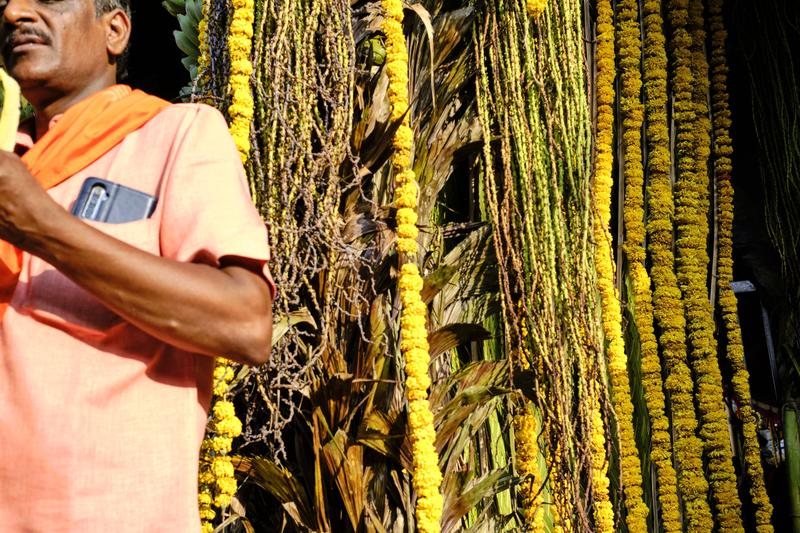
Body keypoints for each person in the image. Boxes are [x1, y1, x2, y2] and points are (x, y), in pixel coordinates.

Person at [0, 0, 275, 531]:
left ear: (116, 30)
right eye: (7, 2)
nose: (13, 12)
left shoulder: (176, 134)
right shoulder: (7, 160)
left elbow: (245, 323)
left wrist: (44, 228)